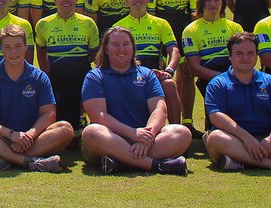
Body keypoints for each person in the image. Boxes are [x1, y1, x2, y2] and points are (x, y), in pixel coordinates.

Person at [80, 26, 191, 175]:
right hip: (111, 139)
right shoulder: (94, 76)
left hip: (144, 140)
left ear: (133, 48)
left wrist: (146, 137)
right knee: (91, 132)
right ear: (106, 49)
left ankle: (120, 162)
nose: (121, 49)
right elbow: (99, 116)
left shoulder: (147, 74)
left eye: (126, 44)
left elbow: (159, 109)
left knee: (182, 132)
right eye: (115, 44)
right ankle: (157, 165)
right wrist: (133, 133)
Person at [0, 25, 74, 171]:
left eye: (17, 46)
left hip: (31, 139)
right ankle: (28, 161)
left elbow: (49, 113)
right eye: (7, 47)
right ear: (1, 49)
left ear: (26, 47)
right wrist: (10, 134)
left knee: (65, 128)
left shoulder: (39, 77)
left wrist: (29, 135)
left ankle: (5, 158)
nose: (13, 52)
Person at [202, 32, 271, 171]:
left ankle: (241, 162)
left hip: (266, 141)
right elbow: (216, 116)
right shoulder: (218, 83)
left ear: (257, 56)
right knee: (215, 138)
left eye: (250, 53)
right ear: (230, 56)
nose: (245, 58)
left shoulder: (270, 81)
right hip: (235, 140)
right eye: (239, 53)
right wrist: (246, 138)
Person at [34, 0, 98, 131]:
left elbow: (95, 54)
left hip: (81, 74)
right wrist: (46, 72)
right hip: (56, 75)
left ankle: (82, 118)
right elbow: (41, 52)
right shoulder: (43, 24)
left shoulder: (88, 23)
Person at [114, 0, 182, 123]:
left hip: (156, 75)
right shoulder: (118, 26)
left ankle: (177, 130)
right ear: (126, 1)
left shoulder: (161, 23)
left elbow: (174, 50)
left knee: (169, 84)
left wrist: (168, 71)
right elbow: (114, 57)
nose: (137, 0)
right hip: (129, 74)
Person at [147, 0, 201, 131]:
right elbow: (152, 16)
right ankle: (160, 123)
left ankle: (187, 121)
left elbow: (194, 18)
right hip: (161, 35)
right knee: (161, 79)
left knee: (186, 76)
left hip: (183, 34)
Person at [181, 0, 243, 115]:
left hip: (236, 79)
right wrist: (223, 78)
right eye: (208, 0)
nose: (212, 3)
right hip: (210, 81)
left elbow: (244, 59)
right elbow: (194, 67)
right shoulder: (191, 30)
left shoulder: (235, 28)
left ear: (223, 2)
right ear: (201, 3)